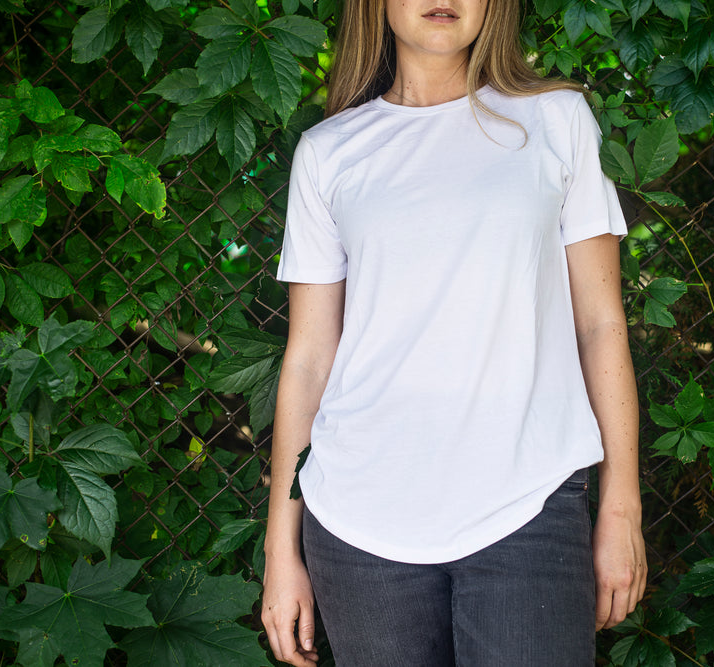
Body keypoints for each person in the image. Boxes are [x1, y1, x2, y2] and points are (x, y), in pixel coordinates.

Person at [261, 0, 647, 664]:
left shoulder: (555, 120)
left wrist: (621, 505)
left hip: (529, 503)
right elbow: (308, 360)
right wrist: (279, 550)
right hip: (359, 522)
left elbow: (600, 323)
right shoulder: (329, 153)